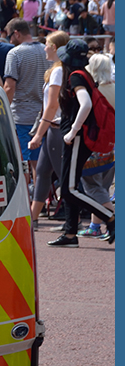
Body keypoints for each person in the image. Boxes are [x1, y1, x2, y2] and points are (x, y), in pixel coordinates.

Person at [48, 38, 114, 246]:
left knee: (69, 189)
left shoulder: (76, 77)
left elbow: (85, 104)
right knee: (70, 187)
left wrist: (72, 130)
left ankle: (111, 218)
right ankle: (70, 234)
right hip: (76, 135)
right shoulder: (84, 75)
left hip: (77, 137)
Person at [27, 30, 69, 222]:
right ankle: (32, 219)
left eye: (46, 44)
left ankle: (72, 223)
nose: (44, 48)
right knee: (43, 173)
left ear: (54, 48)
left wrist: (37, 134)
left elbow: (52, 106)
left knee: (64, 178)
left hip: (56, 129)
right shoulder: (58, 69)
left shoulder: (59, 71)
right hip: (54, 129)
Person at [3, 18, 47, 185]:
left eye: (9, 36)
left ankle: (29, 200)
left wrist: (3, 110)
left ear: (16, 33)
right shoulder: (45, 50)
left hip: (22, 115)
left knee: (25, 164)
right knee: (41, 163)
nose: (9, 40)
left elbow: (9, 86)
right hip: (44, 115)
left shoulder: (14, 53)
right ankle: (42, 198)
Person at [77, 53, 115, 237]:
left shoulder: (93, 91)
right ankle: (95, 226)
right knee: (102, 189)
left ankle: (113, 221)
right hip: (111, 145)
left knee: (92, 187)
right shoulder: (115, 88)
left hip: (93, 145)